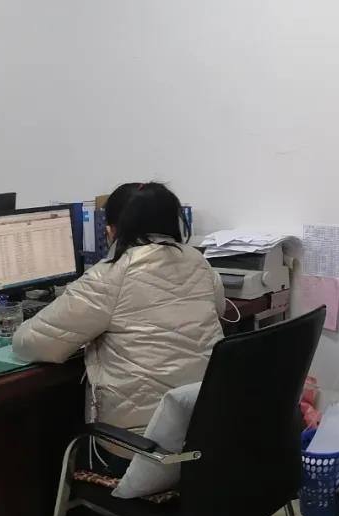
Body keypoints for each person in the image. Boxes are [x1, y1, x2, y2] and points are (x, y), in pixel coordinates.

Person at [13, 182, 225, 474]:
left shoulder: (109, 275)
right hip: (204, 441)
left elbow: (31, 343)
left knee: (53, 438)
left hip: (137, 452)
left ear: (111, 229)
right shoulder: (199, 263)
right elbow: (218, 309)